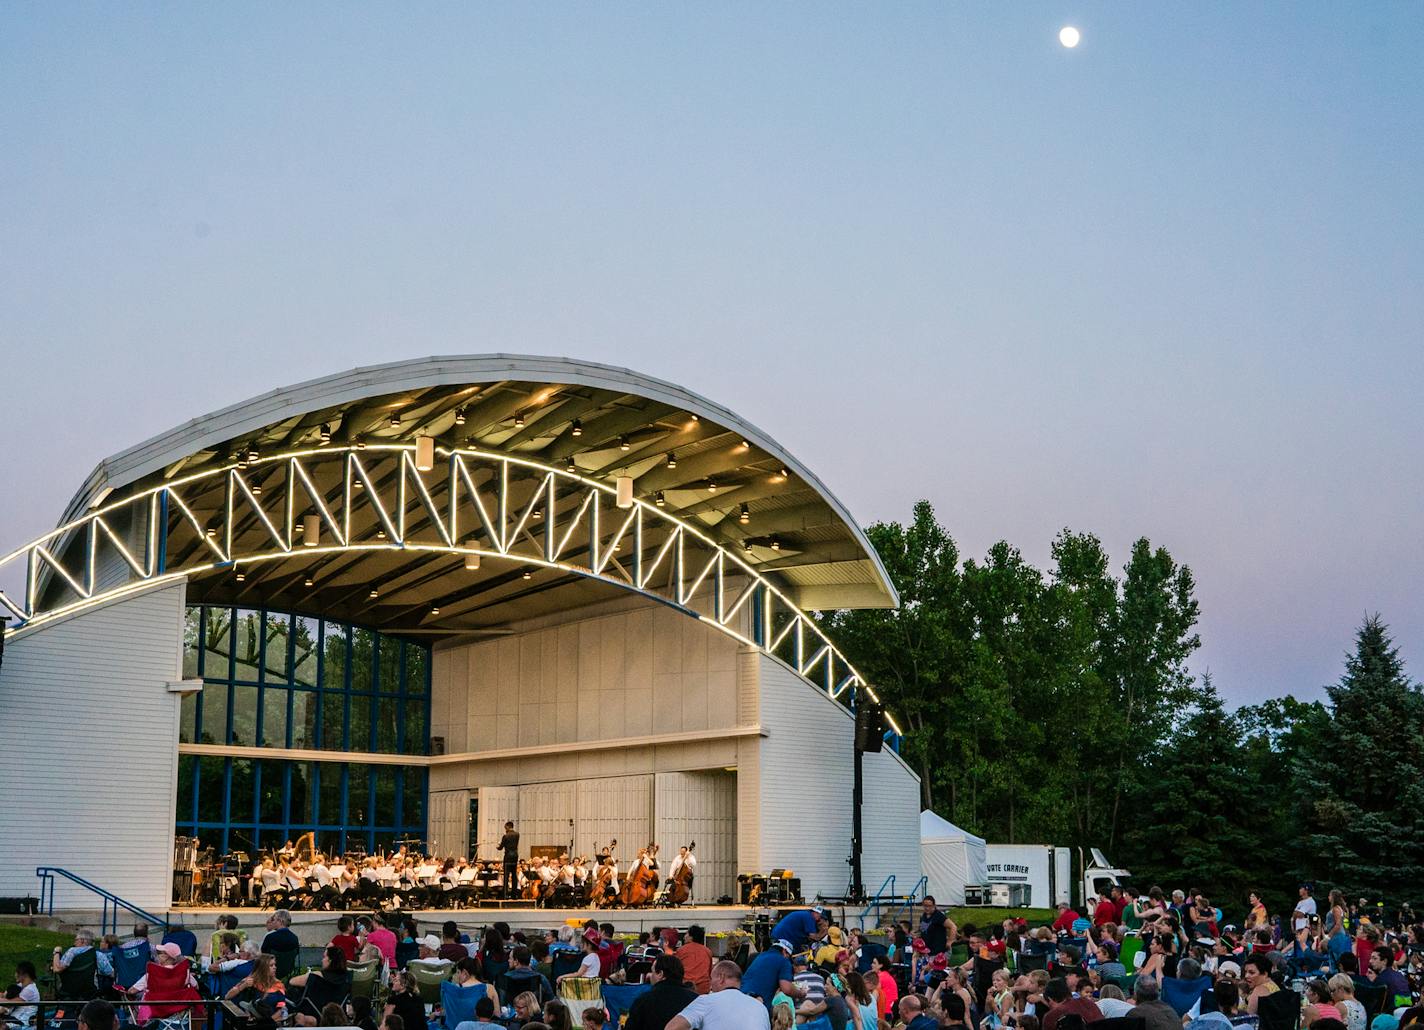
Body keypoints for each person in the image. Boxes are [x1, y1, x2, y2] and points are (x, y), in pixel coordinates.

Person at [668, 960, 772, 1029]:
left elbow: (672, 1028)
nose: (710, 986)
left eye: (711, 979)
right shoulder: (760, 1008)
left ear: (721, 978)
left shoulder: (706, 1001)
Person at [623, 954, 697, 1030]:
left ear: (660, 974)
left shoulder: (644, 1000)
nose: (650, 976)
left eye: (652, 972)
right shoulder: (696, 1001)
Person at [743, 940, 798, 1013]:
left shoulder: (759, 956)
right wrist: (800, 993)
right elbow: (787, 988)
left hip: (742, 997)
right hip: (758, 1003)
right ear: (784, 951)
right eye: (789, 956)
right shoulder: (783, 961)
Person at [0, 962, 40, 1028]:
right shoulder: (21, 985)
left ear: (25, 974)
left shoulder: (30, 989)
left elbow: (9, 1003)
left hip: (20, 1022)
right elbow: (4, 995)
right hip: (11, 1018)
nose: (15, 975)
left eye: (17, 972)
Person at [677, 925, 714, 995]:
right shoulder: (708, 951)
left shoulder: (681, 950)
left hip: (686, 988)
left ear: (691, 937)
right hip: (704, 988)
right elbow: (709, 972)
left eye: (686, 933)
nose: (684, 936)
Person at [497, 821, 520, 899]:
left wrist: (498, 845)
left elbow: (500, 848)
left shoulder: (505, 836)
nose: (505, 829)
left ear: (507, 826)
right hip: (515, 856)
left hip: (508, 856)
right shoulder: (517, 834)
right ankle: (514, 895)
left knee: (506, 875)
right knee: (514, 875)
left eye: (505, 827)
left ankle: (505, 895)